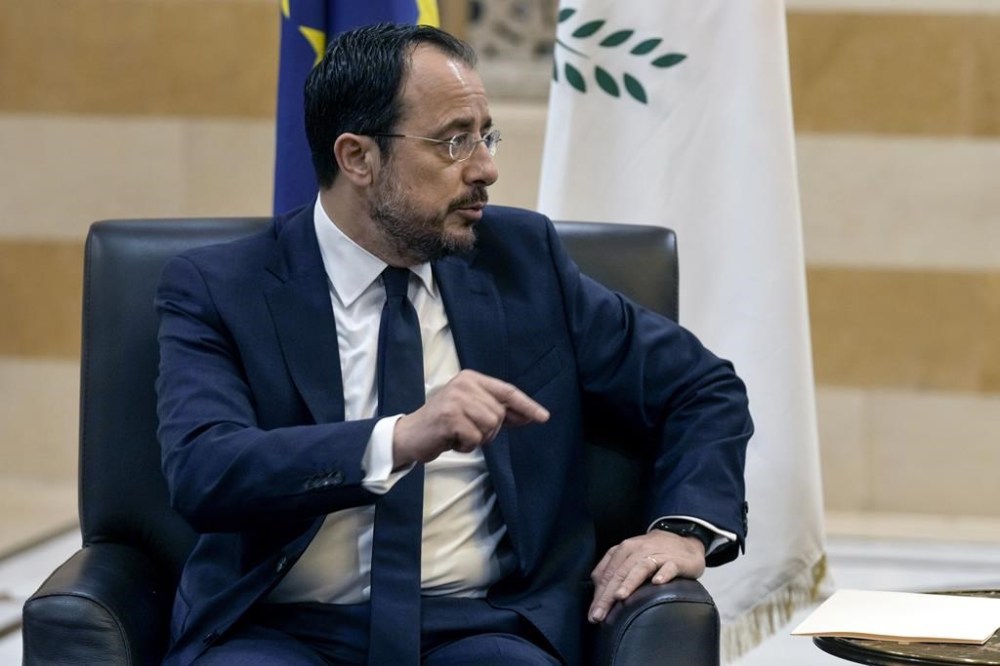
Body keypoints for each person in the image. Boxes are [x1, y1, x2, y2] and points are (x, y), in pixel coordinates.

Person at [155, 23, 752, 666]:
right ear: (358, 157)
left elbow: (702, 386)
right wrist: (400, 437)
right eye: (454, 142)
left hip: (480, 625)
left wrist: (683, 530)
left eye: (486, 135)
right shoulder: (220, 289)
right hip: (276, 627)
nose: (486, 168)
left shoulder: (523, 262)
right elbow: (204, 470)